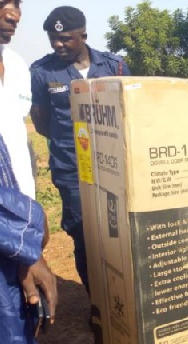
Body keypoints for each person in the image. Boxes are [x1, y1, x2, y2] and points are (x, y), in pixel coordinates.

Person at [30, 6, 131, 293]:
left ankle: (120, 296)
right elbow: (41, 122)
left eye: (66, 39)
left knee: (119, 232)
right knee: (84, 235)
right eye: (53, 39)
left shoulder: (115, 67)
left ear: (83, 35)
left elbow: (129, 114)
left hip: (115, 168)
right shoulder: (43, 72)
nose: (57, 45)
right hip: (73, 170)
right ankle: (97, 301)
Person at [0, 0, 58, 342]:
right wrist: (23, 243)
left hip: (16, 228)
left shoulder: (16, 65)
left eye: (17, 3)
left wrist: (32, 219)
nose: (14, 13)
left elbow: (18, 147)